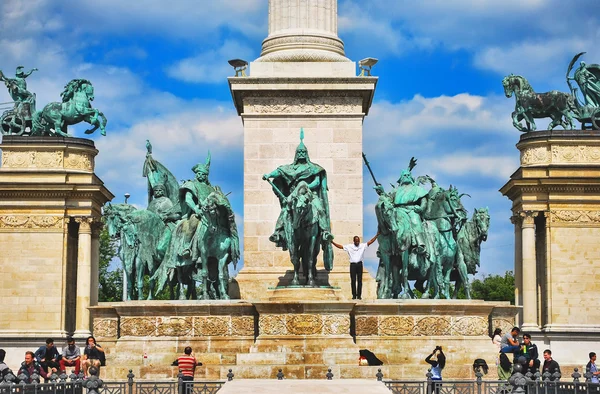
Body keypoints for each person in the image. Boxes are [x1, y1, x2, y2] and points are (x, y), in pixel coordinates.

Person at [262, 130, 333, 270]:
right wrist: (269, 175)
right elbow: (280, 171)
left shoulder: (313, 168)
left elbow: (317, 182)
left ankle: (324, 231)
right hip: (295, 194)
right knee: (285, 210)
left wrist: (306, 186)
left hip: (310, 195)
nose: (301, 154)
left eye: (303, 152)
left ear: (306, 154)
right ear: (296, 154)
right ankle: (279, 232)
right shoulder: (290, 168)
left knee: (319, 208)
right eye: (299, 152)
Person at [331, 234, 378, 300]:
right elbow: (340, 246)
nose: (357, 242)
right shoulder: (349, 246)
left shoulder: (362, 246)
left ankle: (359, 296)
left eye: (358, 241)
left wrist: (377, 235)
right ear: (354, 241)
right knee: (353, 280)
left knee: (360, 281)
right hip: (353, 265)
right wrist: (332, 242)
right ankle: (354, 295)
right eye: (356, 241)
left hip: (359, 264)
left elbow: (370, 241)